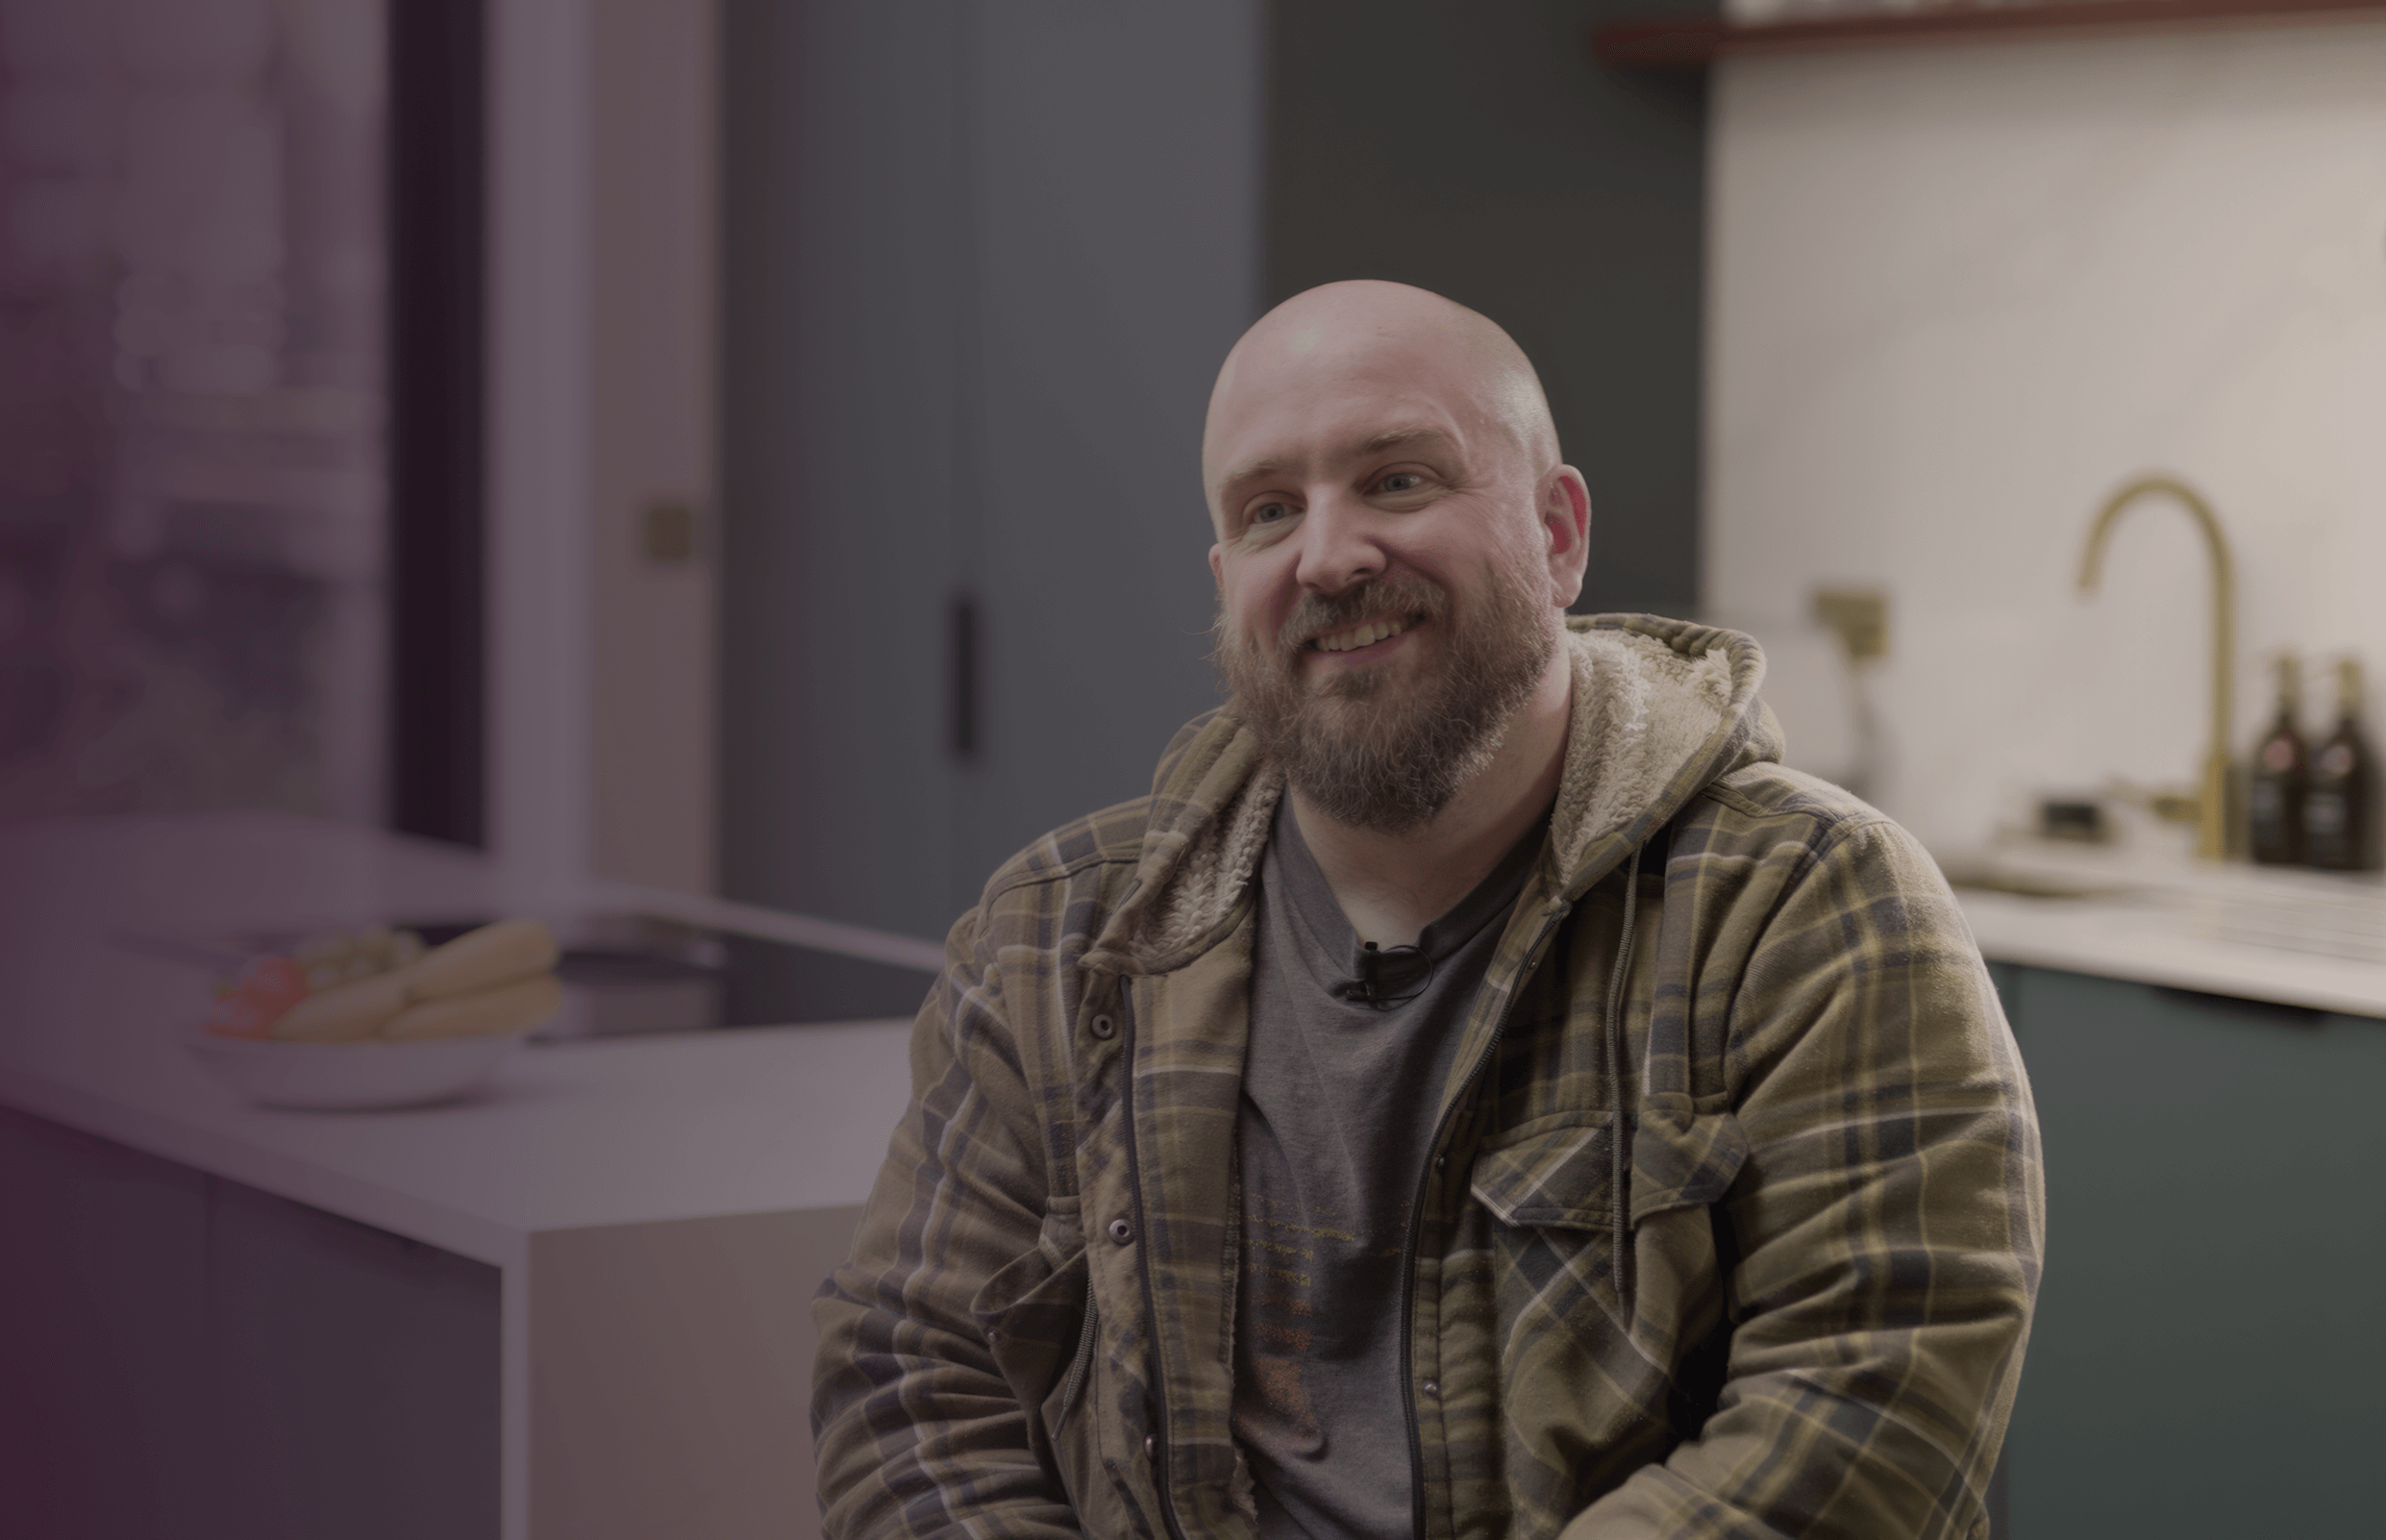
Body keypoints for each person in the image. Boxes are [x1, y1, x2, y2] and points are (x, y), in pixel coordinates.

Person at [811, 281, 2044, 1539]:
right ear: (1226, 575)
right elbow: (913, 1373)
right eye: (1269, 510)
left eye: (1397, 480)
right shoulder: (1055, 937)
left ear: (1558, 535)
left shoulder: (1815, 913)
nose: (1331, 555)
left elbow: (1868, 1411)